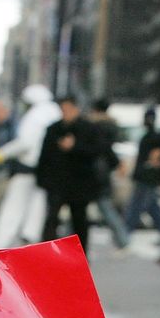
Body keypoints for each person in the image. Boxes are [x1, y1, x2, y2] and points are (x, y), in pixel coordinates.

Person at [0, 84, 62, 249]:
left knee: (13, 207)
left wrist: (2, 154)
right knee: (37, 208)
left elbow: (25, 142)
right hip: (47, 171)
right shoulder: (55, 112)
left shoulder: (35, 115)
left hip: (27, 168)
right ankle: (29, 239)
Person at [36, 97, 103, 251]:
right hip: (57, 181)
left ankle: (81, 253)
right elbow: (45, 155)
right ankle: (46, 252)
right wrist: (42, 179)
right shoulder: (54, 129)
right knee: (51, 218)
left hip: (79, 182)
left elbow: (96, 151)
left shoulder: (88, 128)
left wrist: (75, 147)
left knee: (79, 219)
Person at [124, 109, 160, 257]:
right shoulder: (152, 136)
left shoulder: (154, 137)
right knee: (152, 207)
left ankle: (124, 235)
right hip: (147, 176)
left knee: (137, 206)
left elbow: (158, 158)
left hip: (147, 176)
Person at [88, 98, 133, 249]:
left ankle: (123, 238)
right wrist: (116, 164)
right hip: (104, 171)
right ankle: (123, 239)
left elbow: (103, 148)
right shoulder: (111, 126)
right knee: (105, 207)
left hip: (91, 170)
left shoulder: (93, 126)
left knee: (88, 207)